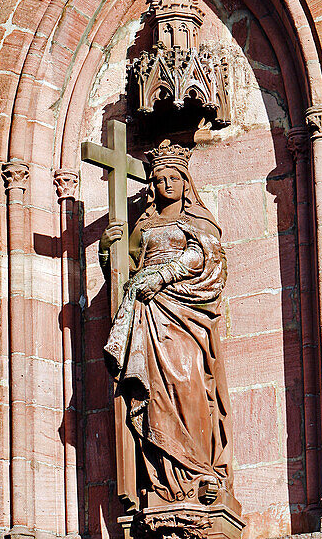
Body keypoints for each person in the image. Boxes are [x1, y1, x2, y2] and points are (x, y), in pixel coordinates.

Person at [100, 140, 234, 517]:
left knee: (188, 384)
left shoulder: (198, 221)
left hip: (184, 310)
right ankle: (164, 480)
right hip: (146, 312)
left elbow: (207, 255)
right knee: (154, 392)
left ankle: (199, 471)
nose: (167, 185)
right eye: (159, 179)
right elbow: (124, 266)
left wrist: (164, 274)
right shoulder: (144, 224)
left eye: (174, 177)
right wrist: (108, 250)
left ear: (185, 182)